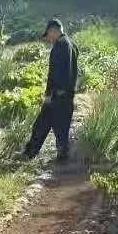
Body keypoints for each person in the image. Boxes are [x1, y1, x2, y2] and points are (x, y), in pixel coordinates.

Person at [23, 19, 80, 164]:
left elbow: (53, 74)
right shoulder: (72, 45)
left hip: (57, 96)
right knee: (62, 131)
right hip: (68, 96)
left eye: (48, 35)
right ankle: (62, 160)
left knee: (40, 126)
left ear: (54, 31)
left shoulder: (59, 46)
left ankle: (29, 155)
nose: (48, 39)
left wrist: (48, 95)